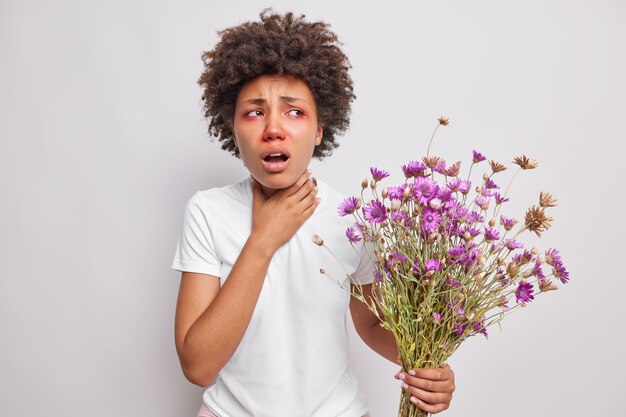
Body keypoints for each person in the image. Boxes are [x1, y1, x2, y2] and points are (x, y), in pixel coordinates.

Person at [172, 10, 455, 417]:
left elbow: (372, 325)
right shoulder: (208, 212)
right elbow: (198, 366)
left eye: (294, 111)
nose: (273, 128)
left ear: (320, 129)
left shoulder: (352, 219)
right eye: (253, 112)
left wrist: (430, 363)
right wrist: (265, 238)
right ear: (231, 127)